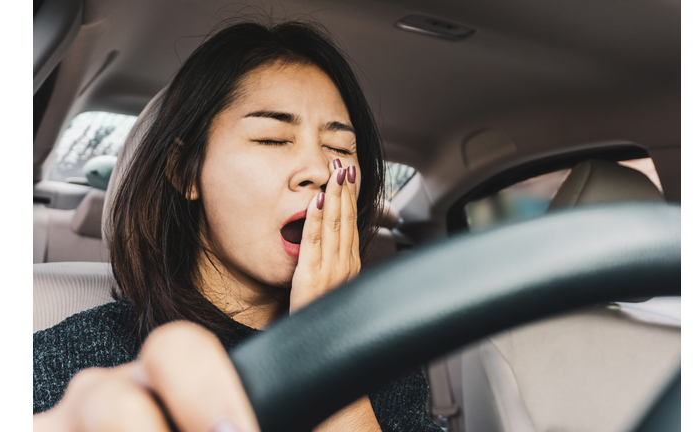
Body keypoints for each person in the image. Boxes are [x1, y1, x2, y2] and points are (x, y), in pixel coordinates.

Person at [33, 21, 442, 432]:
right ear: (185, 171)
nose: (319, 170)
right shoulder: (77, 362)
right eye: (272, 139)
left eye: (338, 148)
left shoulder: (389, 372)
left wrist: (325, 340)